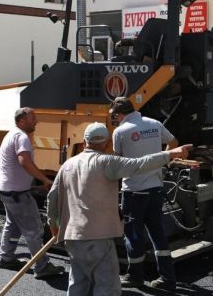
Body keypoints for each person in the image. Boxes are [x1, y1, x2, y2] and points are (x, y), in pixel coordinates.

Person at [47, 122, 191, 296]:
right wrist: (170, 154)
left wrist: (53, 226)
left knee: (78, 284)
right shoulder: (106, 162)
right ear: (107, 144)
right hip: (97, 237)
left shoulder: (67, 165)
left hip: (71, 237)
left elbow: (52, 198)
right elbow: (139, 164)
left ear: (84, 143)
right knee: (107, 287)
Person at [110, 96, 180, 291]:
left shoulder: (120, 131)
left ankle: (135, 276)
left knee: (133, 235)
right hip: (156, 188)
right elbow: (173, 142)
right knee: (158, 233)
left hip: (133, 191)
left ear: (119, 113)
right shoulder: (154, 123)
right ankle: (167, 277)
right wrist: (164, 163)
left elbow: (118, 163)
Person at [0, 107, 64, 279]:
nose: (36, 121)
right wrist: (44, 179)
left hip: (8, 190)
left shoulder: (12, 134)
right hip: (17, 193)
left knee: (13, 224)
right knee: (34, 229)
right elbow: (24, 162)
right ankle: (42, 267)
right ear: (21, 121)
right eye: (33, 118)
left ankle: (7, 257)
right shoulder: (22, 137)